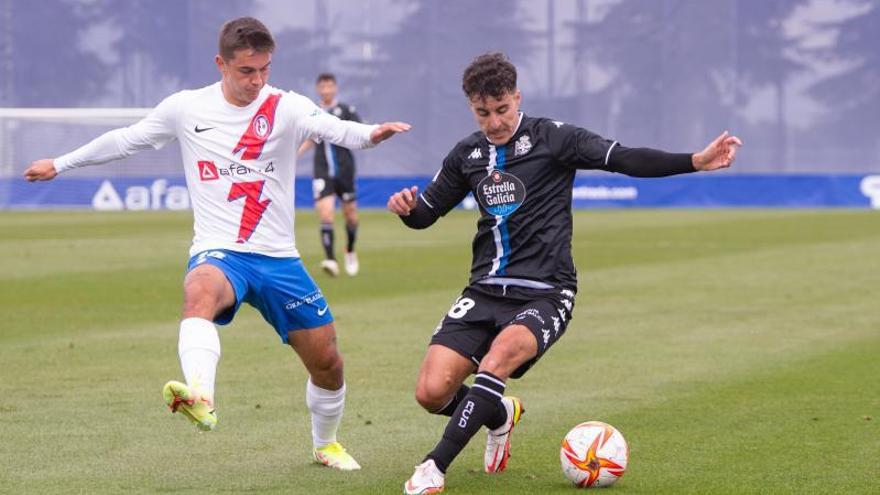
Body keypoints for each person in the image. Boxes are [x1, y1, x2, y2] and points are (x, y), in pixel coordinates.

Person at [24, 17, 410, 472]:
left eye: (265, 69)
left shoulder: (284, 105)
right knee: (199, 293)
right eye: (248, 71)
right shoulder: (187, 108)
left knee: (328, 362)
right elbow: (126, 140)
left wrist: (371, 134)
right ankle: (201, 395)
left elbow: (332, 128)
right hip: (221, 251)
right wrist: (60, 163)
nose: (258, 80)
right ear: (220, 64)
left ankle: (325, 444)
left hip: (278, 258)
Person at [387, 52, 741, 494]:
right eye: (483, 113)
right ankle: (498, 414)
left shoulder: (554, 138)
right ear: (471, 107)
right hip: (484, 289)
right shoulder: (468, 154)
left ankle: (433, 467)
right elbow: (426, 213)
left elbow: (624, 158)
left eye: (502, 110)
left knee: (497, 360)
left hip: (546, 291)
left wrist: (694, 160)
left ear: (517, 97)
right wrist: (407, 211)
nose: (494, 121)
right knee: (430, 392)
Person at [297, 73, 363, 277]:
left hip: (344, 171)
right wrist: (294, 155)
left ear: (335, 88)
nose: (326, 90)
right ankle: (330, 259)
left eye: (329, 86)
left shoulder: (345, 111)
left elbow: (358, 133)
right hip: (322, 171)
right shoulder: (312, 113)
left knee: (350, 216)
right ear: (318, 89)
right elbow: (310, 138)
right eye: (322, 87)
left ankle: (350, 250)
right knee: (325, 213)